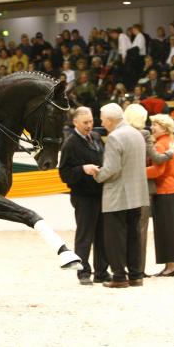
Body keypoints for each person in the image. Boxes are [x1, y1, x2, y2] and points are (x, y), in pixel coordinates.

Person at [90, 103, 149, 288]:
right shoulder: (137, 134)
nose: (101, 122)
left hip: (118, 195)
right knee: (133, 236)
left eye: (102, 119)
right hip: (137, 193)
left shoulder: (115, 137)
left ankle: (119, 277)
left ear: (109, 120)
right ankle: (136, 275)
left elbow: (112, 169)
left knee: (114, 237)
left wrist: (96, 174)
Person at [58, 107, 110, 285]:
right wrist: (82, 169)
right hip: (83, 196)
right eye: (85, 123)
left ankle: (102, 271)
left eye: (91, 122)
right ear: (75, 123)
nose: (90, 125)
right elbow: (64, 174)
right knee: (85, 235)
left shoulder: (95, 137)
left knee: (102, 235)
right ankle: (83, 272)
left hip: (100, 193)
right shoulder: (70, 144)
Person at [123, 104, 174, 276]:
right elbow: (157, 159)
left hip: (124, 187)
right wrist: (170, 153)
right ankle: (138, 269)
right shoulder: (143, 134)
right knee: (140, 229)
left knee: (127, 228)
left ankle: (126, 266)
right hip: (144, 188)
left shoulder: (120, 134)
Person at [146, 114, 174, 277]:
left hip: (165, 191)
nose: (152, 127)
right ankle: (171, 265)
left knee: (166, 229)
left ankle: (171, 267)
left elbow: (157, 171)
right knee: (173, 228)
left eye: (155, 124)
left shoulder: (161, 144)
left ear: (163, 127)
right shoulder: (170, 141)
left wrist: (136, 172)